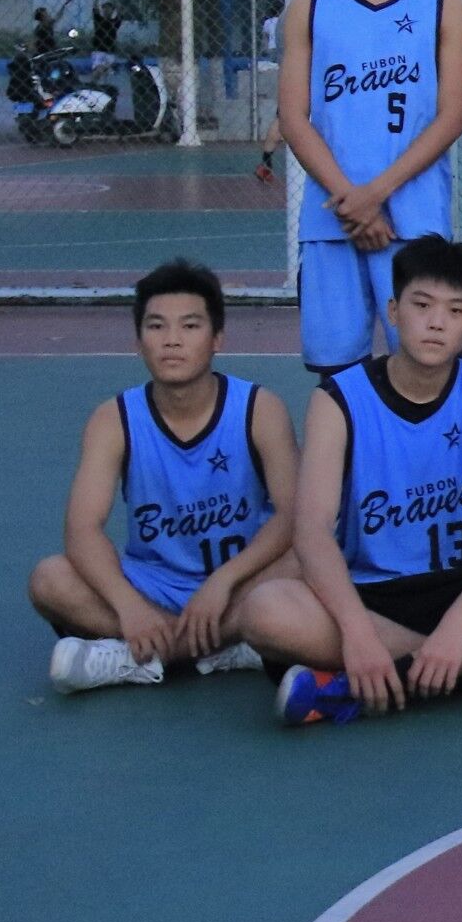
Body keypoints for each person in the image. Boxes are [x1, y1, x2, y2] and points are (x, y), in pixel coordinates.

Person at [236, 238, 462, 725]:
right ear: (393, 311)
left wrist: (458, 626)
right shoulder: (338, 400)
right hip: (369, 593)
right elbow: (312, 531)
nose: (436, 322)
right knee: (263, 610)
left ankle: (362, 686)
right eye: (422, 305)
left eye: (456, 310)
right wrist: (357, 633)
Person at [30, 259, 299, 693]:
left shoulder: (259, 408)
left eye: (190, 326)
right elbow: (82, 529)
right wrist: (129, 607)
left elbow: (292, 516)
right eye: (156, 326)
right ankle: (231, 641)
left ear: (217, 338)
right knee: (49, 579)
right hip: (154, 584)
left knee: (317, 552)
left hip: (244, 582)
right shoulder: (113, 419)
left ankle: (140, 657)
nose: (172, 340)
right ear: (138, 341)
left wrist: (223, 582)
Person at [277, 0, 462, 374]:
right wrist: (351, 200)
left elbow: (452, 117)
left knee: (427, 368)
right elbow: (293, 117)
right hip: (331, 221)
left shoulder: (443, 4)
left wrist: (374, 195)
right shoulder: (309, 9)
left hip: (414, 220)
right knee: (336, 375)